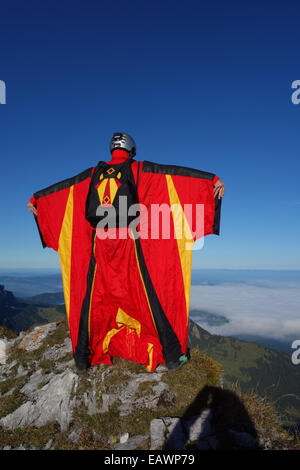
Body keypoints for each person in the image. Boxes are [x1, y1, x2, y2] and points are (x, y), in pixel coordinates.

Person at [28, 132, 224, 372]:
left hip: (98, 248)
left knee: (92, 298)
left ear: (111, 149)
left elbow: (61, 190)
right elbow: (174, 176)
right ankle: (172, 356)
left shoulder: (90, 177)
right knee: (150, 294)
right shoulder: (142, 171)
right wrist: (211, 181)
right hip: (132, 245)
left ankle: (82, 359)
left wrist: (36, 200)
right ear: (131, 150)